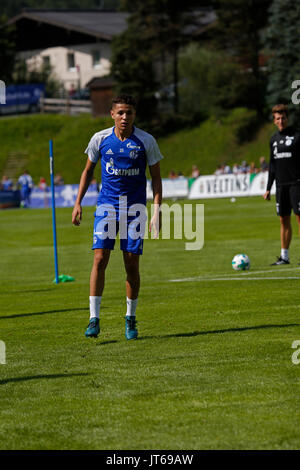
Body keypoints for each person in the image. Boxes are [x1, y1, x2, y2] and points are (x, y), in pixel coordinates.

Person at [72, 94, 163, 340]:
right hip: (107, 207)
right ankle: (94, 318)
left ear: (135, 115)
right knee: (100, 259)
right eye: (120, 112)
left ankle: (130, 319)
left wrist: (157, 210)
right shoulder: (99, 139)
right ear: (112, 114)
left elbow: (155, 177)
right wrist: (78, 202)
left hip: (134, 210)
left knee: (131, 263)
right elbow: (87, 171)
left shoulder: (146, 141)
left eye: (129, 113)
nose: (125, 117)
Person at [263, 103, 300, 265]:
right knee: (283, 221)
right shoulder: (273, 140)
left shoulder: (297, 136)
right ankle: (284, 257)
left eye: (283, 118)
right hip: (281, 186)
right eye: (278, 118)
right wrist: (268, 188)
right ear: (274, 121)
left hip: (297, 184)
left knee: (299, 219)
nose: (281, 121)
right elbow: (272, 165)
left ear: (287, 118)